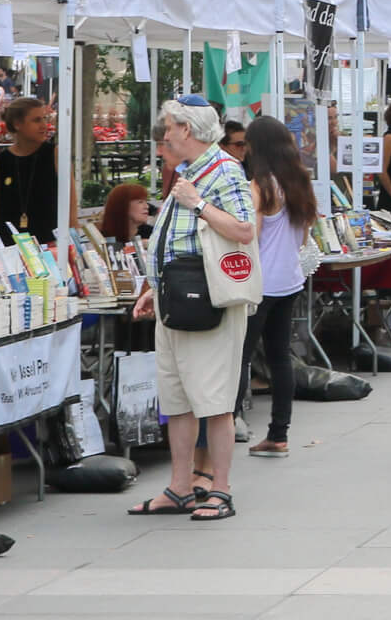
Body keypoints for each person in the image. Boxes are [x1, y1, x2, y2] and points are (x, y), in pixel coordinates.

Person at [127, 98, 258, 523]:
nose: (164, 134)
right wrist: (154, 286)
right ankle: (181, 487)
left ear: (187, 129)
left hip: (207, 299)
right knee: (178, 398)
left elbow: (243, 228)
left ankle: (220, 489)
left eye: (169, 126)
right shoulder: (190, 172)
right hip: (176, 297)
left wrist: (198, 203)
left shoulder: (223, 170)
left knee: (215, 400)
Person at [239, 115, 315, 458]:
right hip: (290, 278)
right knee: (279, 356)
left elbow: (250, 235)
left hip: (260, 282)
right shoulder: (300, 182)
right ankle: (278, 432)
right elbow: (304, 237)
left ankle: (230, 422)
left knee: (238, 356)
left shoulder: (260, 186)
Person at [0, 95, 73, 242]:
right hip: (12, 244)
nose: (44, 125)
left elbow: (70, 202)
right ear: (18, 124)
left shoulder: (56, 155)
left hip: (51, 243)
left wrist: (70, 236)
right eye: (37, 120)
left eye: (45, 118)